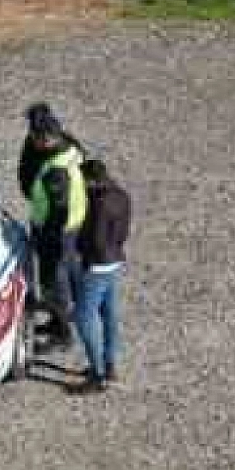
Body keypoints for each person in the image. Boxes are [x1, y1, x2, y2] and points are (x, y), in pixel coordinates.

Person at [26, 120, 88, 352]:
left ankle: (62, 333)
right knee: (71, 269)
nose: (32, 142)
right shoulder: (71, 148)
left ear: (47, 139)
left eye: (35, 138)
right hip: (73, 226)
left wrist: (45, 238)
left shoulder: (56, 170)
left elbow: (58, 211)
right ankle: (74, 312)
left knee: (53, 282)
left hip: (55, 234)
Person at [74, 160, 131, 392]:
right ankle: (110, 364)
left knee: (84, 317)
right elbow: (124, 230)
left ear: (91, 180)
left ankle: (97, 374)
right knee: (109, 314)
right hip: (115, 260)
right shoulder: (122, 195)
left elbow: (95, 239)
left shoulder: (98, 203)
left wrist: (82, 252)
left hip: (96, 266)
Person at [16, 103, 86, 199]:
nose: (41, 142)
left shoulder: (67, 146)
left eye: (45, 140)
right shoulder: (30, 146)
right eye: (34, 136)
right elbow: (25, 177)